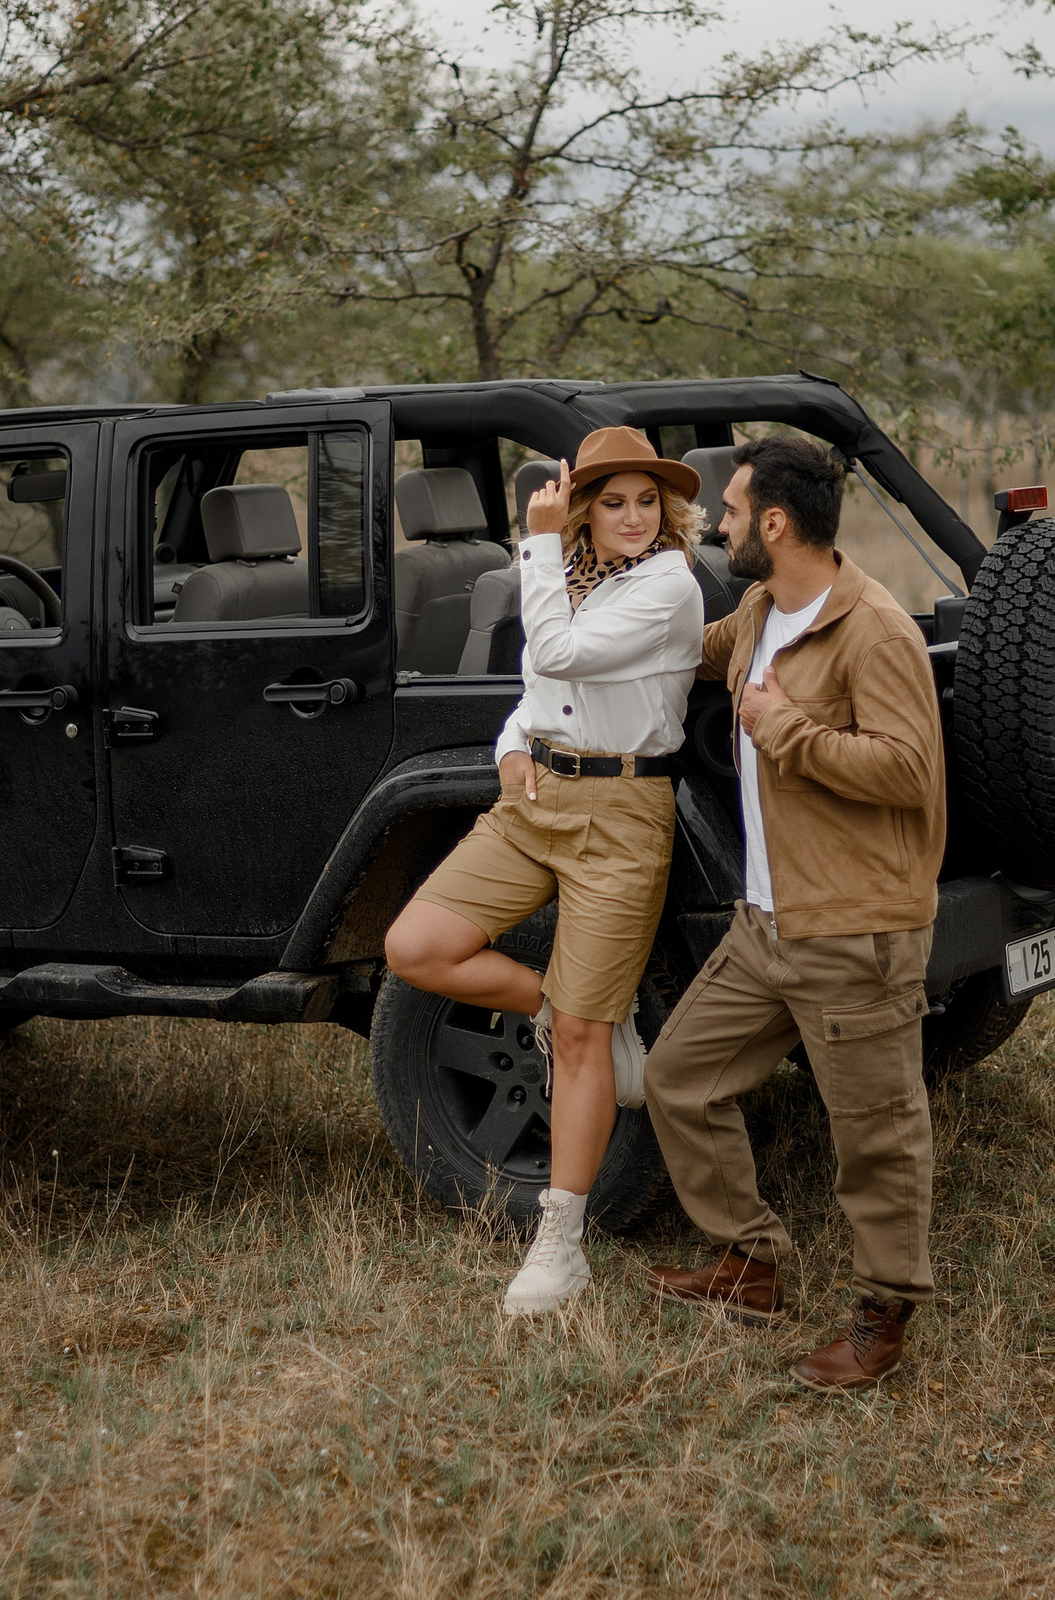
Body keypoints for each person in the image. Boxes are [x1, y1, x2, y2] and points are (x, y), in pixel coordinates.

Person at [640, 432, 949, 1391]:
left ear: (775, 523)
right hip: (766, 926)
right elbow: (698, 658)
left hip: (853, 929)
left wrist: (790, 733)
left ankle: (881, 1319)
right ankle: (748, 1262)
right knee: (677, 1078)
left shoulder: (876, 632)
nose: (719, 527)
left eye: (729, 513)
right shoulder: (762, 607)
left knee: (876, 1134)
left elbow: (909, 772)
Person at [383, 426, 707, 1317]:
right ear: (588, 512)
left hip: (620, 816)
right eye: (613, 502)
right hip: (536, 803)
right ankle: (560, 1005)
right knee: (415, 944)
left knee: (580, 1043)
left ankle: (560, 1245)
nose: (635, 517)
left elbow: (561, 651)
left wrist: (533, 540)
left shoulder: (669, 584)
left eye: (648, 501)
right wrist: (510, 744)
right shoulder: (571, 579)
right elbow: (538, 686)